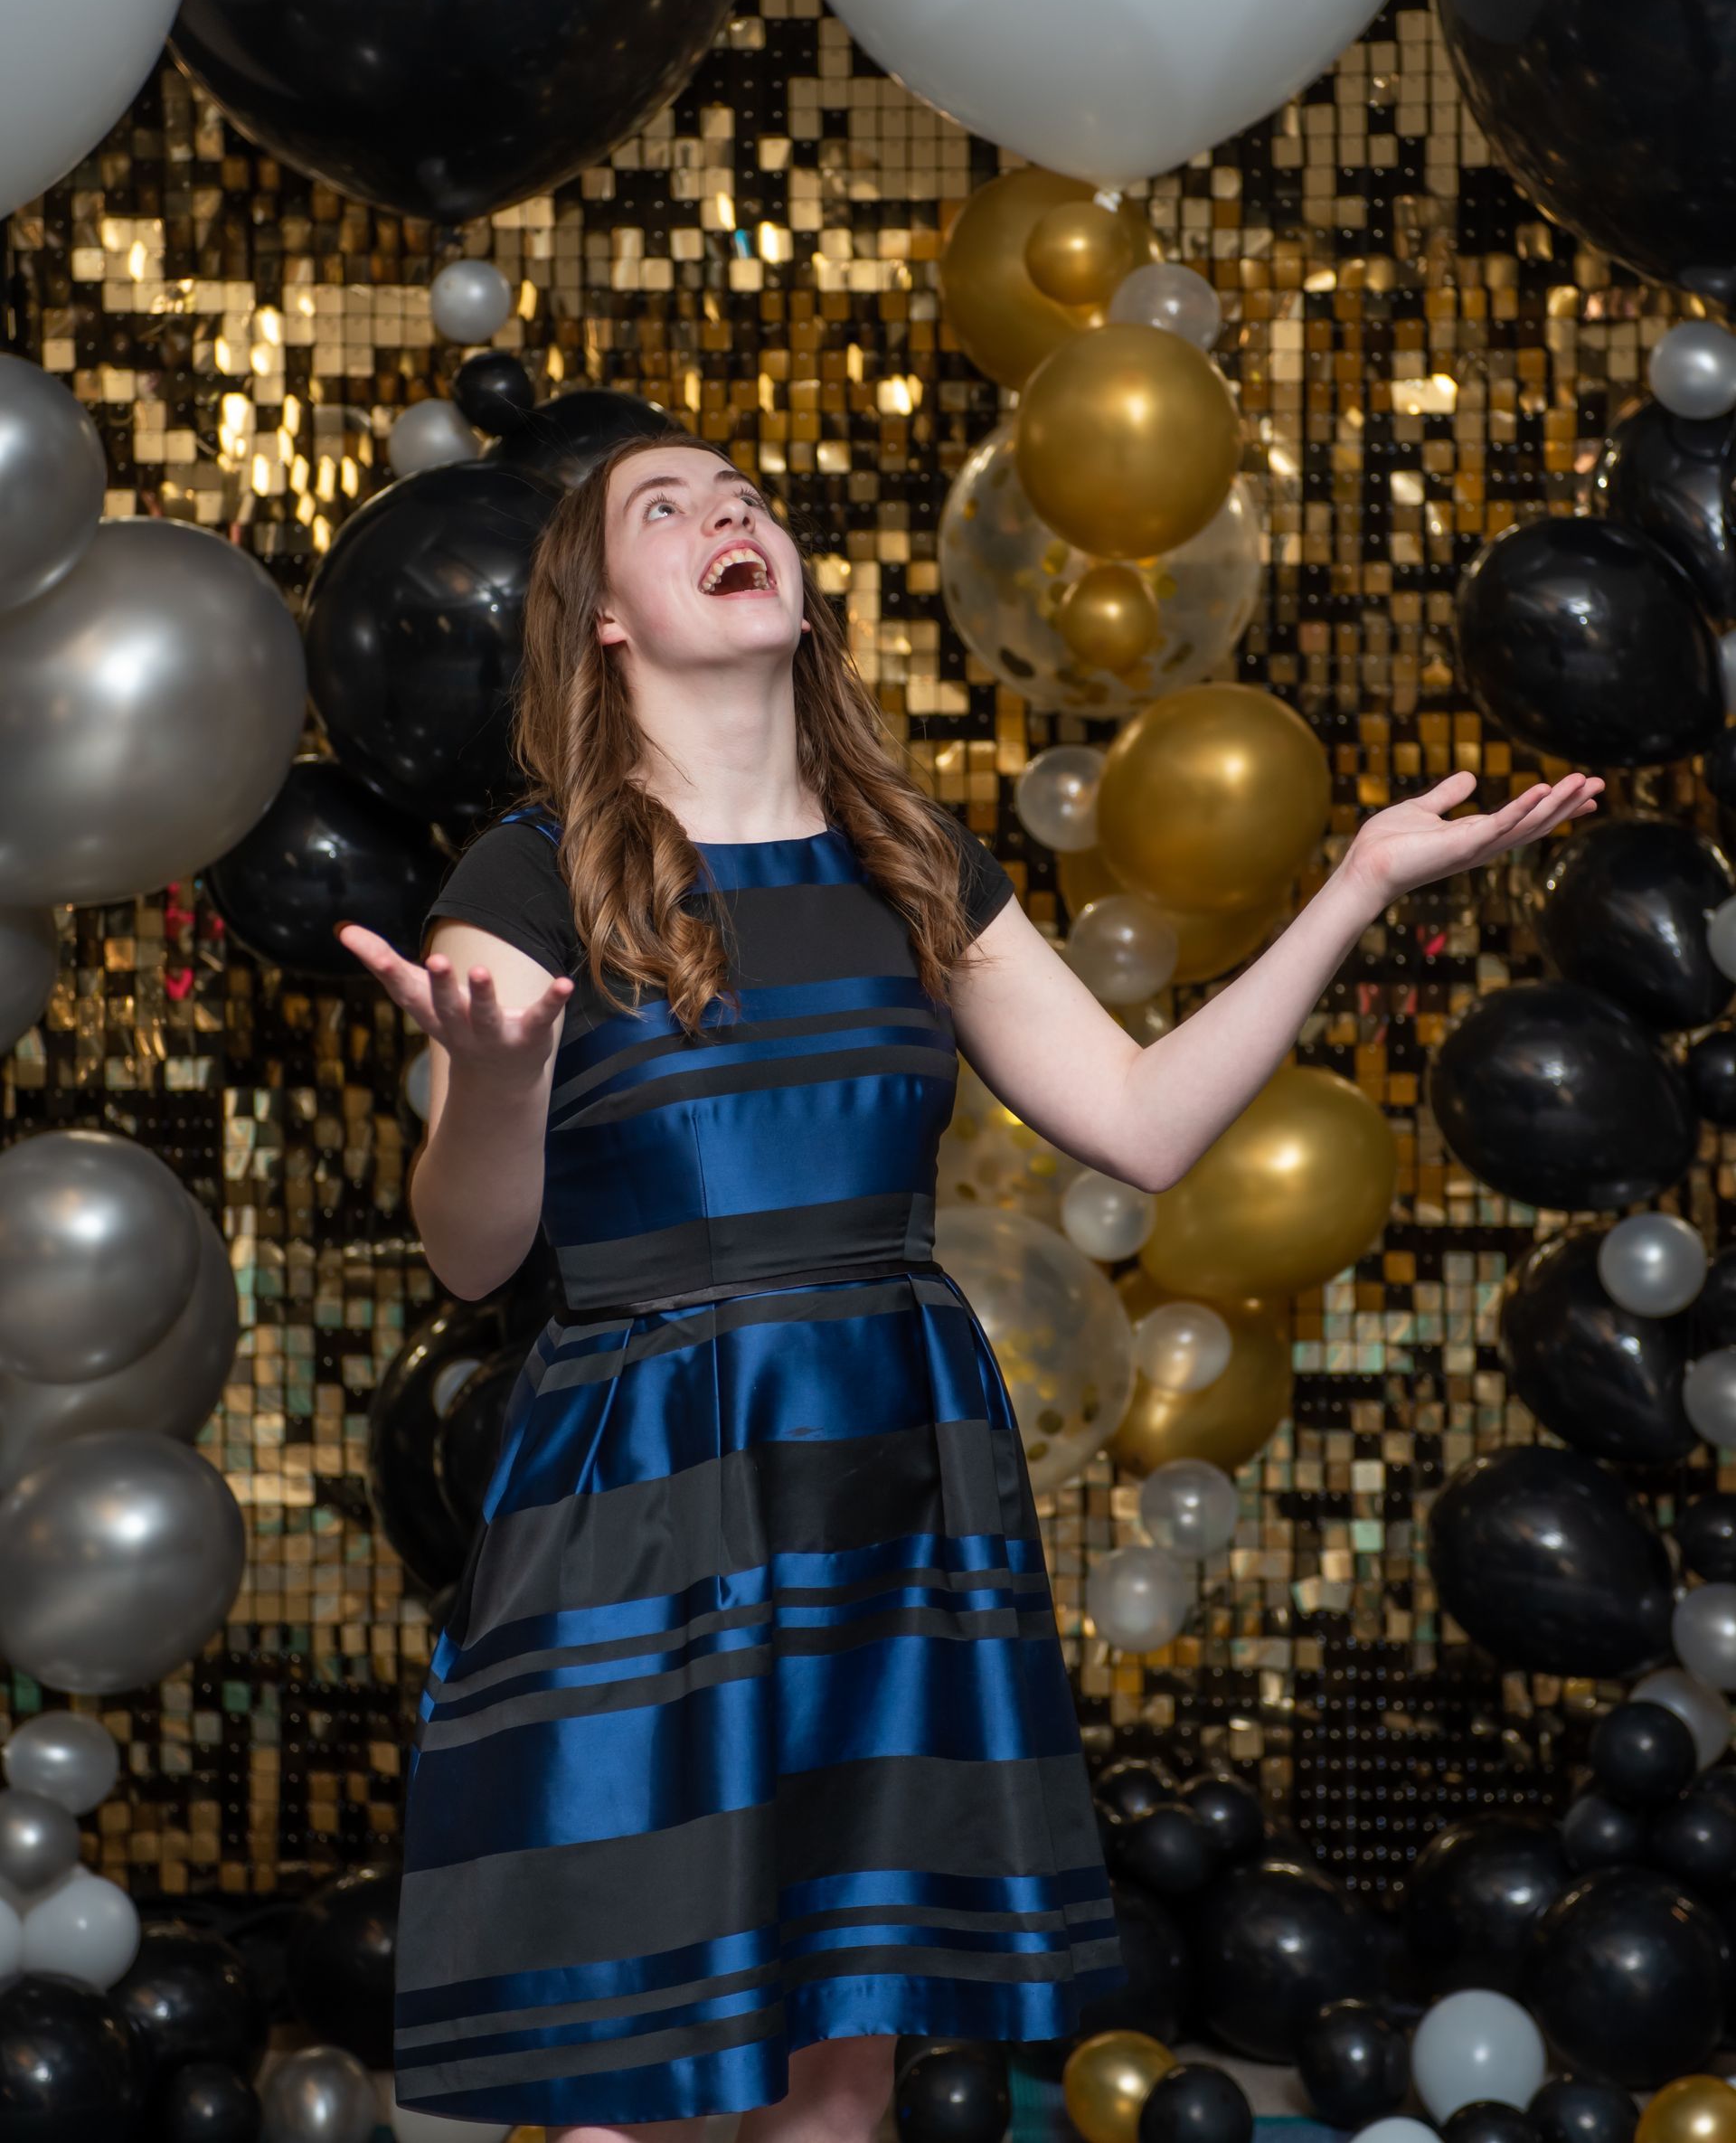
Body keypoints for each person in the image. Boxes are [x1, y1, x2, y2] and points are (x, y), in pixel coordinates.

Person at [341, 436, 1599, 2143]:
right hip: (645, 1486)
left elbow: (1142, 1125)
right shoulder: (526, 875)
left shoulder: (913, 857)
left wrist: (1356, 887)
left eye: (745, 497)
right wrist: (494, 1088)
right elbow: (471, 1253)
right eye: (667, 509)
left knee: (841, 2069)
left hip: (885, 1475)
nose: (730, 516)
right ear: (603, 619)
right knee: (628, 2078)